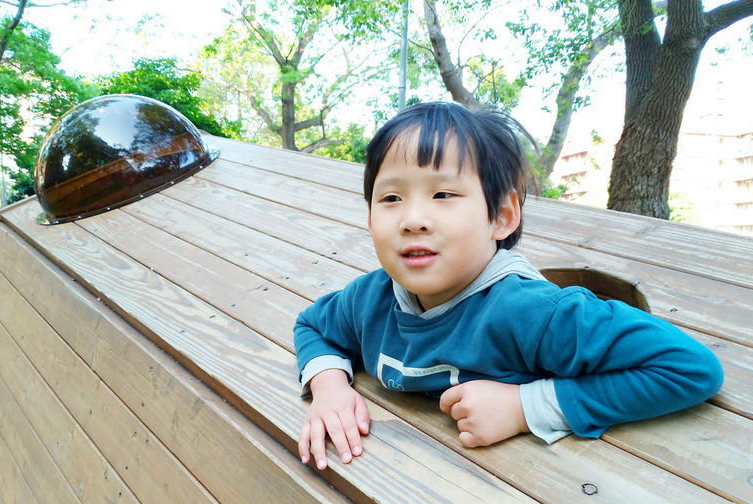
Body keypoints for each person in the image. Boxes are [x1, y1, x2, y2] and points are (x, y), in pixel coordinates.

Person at [293, 101, 723, 470]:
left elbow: (689, 368)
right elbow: (314, 326)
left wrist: (525, 407)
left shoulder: (535, 314)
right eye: (391, 199)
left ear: (501, 217)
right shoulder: (371, 298)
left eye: (443, 194)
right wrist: (330, 388)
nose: (412, 219)